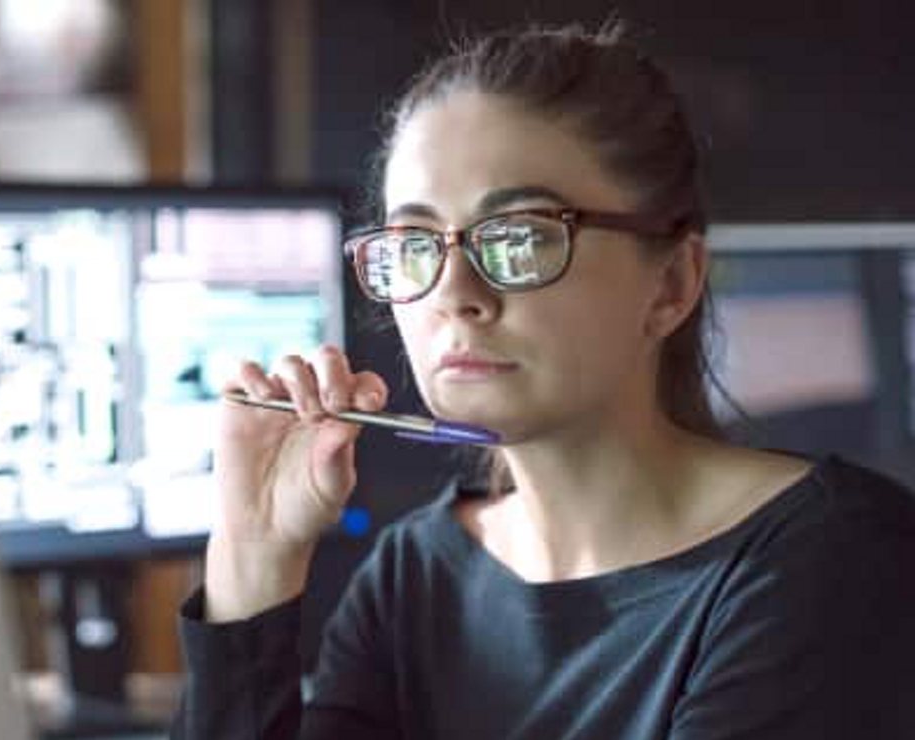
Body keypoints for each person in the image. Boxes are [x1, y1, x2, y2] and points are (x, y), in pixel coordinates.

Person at [171, 22, 915, 740]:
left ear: (672, 284)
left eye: (520, 237)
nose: (455, 292)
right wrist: (255, 554)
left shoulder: (834, 561)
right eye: (414, 243)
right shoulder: (414, 575)